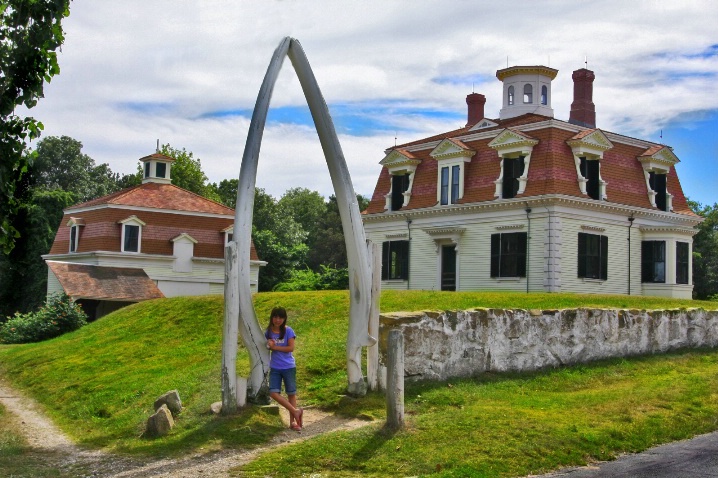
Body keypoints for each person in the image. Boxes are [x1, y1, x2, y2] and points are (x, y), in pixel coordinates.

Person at [265, 306, 303, 430]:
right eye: (275, 317)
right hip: (275, 367)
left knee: (291, 393)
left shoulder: (288, 331)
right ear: (272, 318)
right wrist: (268, 344)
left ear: (284, 319)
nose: (278, 320)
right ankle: (295, 411)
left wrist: (274, 347)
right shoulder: (268, 332)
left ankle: (293, 422)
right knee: (273, 392)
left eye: (281, 317)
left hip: (288, 366)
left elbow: (290, 348)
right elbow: (265, 344)